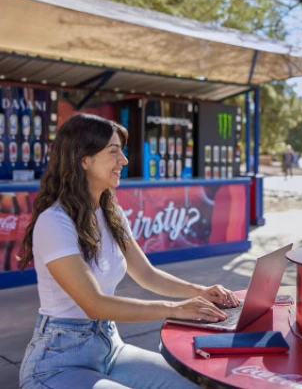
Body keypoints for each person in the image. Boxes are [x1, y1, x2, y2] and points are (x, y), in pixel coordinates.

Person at [18, 114, 239, 389]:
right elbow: (94, 304)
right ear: (83, 160)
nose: (123, 160)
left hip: (110, 346)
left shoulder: (111, 213)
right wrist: (176, 309)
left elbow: (147, 275)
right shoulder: (55, 222)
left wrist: (200, 291)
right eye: (114, 152)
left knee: (195, 384)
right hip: (58, 361)